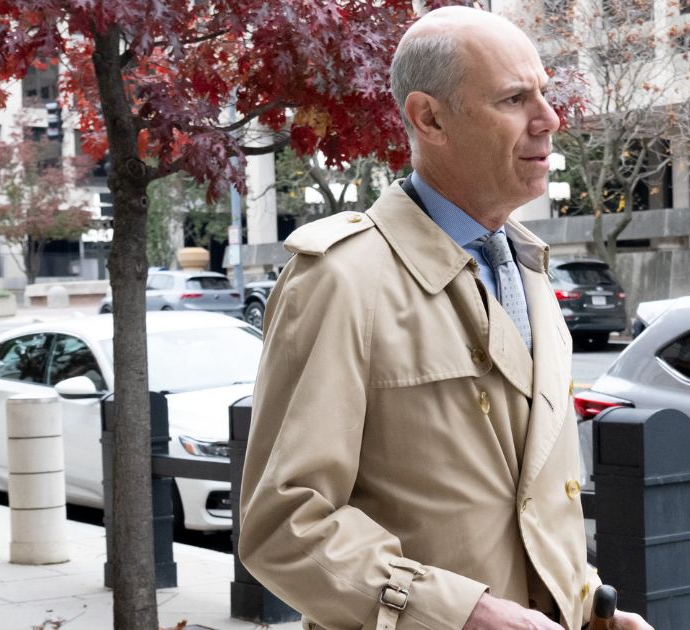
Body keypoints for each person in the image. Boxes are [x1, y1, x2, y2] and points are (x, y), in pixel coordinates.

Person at [238, 7, 652, 630]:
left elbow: (529, 505)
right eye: (514, 99)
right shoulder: (340, 279)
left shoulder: (530, 269)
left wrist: (591, 607)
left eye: (544, 93)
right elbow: (284, 526)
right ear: (429, 118)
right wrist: (462, 614)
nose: (549, 118)